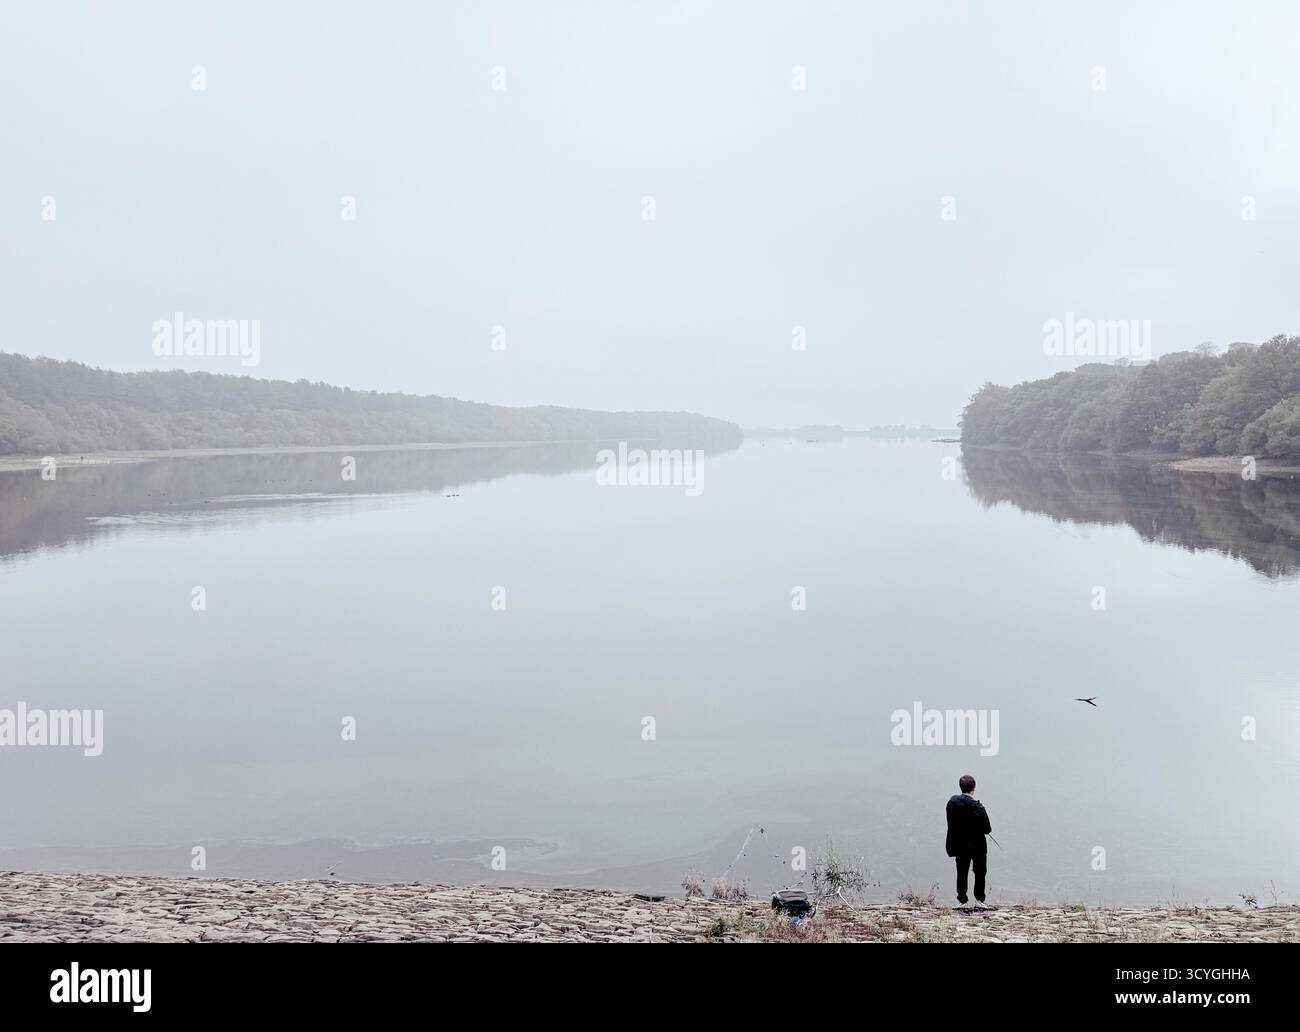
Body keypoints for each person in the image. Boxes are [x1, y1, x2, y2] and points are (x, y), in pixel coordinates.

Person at [945, 774, 992, 908]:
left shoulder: (952, 803)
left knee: (961, 871)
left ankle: (962, 900)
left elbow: (950, 821)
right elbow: (987, 829)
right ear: (973, 788)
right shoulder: (978, 807)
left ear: (961, 787)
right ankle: (979, 900)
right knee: (980, 871)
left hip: (959, 844)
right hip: (978, 845)